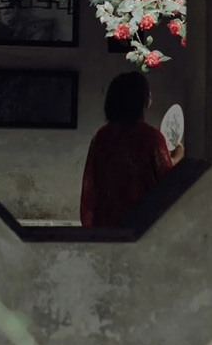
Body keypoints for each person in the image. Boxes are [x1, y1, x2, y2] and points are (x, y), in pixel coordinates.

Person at [79, 71, 184, 228]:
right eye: (148, 93)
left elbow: (93, 181)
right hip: (140, 223)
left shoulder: (102, 135)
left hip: (106, 222)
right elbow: (165, 180)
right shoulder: (151, 136)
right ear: (142, 99)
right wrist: (177, 157)